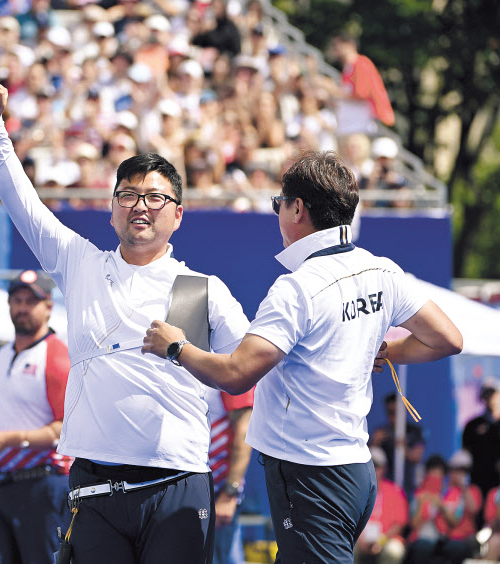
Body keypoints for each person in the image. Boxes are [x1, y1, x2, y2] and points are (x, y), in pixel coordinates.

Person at [0, 82, 250, 564]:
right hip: (94, 486)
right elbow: (23, 204)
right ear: (111, 209)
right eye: (128, 194)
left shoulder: (196, 289)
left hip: (177, 481)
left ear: (179, 215)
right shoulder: (81, 265)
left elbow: (253, 367)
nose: (140, 205)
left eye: (155, 198)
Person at [142, 150, 463, 563]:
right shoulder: (381, 270)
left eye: (278, 203)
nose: (277, 212)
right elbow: (448, 339)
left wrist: (176, 346)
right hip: (351, 468)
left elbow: (238, 375)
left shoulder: (298, 288)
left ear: (297, 209)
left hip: (313, 475)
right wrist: (383, 350)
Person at [0, 269, 73, 564]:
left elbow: (67, 429)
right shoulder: (0, 356)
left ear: (49, 307)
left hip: (44, 483)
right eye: (17, 300)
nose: (23, 307)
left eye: (31, 300)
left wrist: (9, 441)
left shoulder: (57, 356)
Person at [405, 451, 482, 564]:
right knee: (423, 548)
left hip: (449, 538)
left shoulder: (457, 493)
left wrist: (441, 505)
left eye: (463, 471)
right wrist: (423, 502)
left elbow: (466, 514)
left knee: (456, 548)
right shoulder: (419, 495)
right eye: (454, 470)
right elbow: (414, 525)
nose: (458, 474)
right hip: (424, 538)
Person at [206, 387, 254, 564]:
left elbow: (244, 430)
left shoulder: (226, 363)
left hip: (218, 492)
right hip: (192, 486)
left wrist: (229, 493)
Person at [462, 384, 500, 500]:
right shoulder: (473, 425)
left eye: (493, 394)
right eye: (487, 395)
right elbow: (466, 453)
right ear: (482, 398)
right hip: (480, 479)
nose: (491, 398)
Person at [328, 33, 395, 135]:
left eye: (338, 45)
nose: (336, 49)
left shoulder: (360, 64)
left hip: (360, 126)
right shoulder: (348, 68)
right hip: (350, 125)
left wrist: (332, 90)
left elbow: (361, 94)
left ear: (350, 45)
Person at [354, 448, 408, 564]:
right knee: (346, 548)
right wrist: (360, 540)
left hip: (386, 539)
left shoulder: (395, 491)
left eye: (376, 465)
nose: (372, 468)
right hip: (359, 540)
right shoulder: (354, 491)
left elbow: (399, 524)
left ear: (384, 468)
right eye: (368, 465)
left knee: (394, 550)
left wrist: (381, 541)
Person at [370, 392, 425, 499]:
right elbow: (371, 458)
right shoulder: (382, 432)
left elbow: (417, 456)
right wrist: (374, 442)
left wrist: (403, 448)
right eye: (389, 412)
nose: (392, 417)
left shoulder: (414, 432)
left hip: (408, 487)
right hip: (387, 486)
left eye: (396, 412)